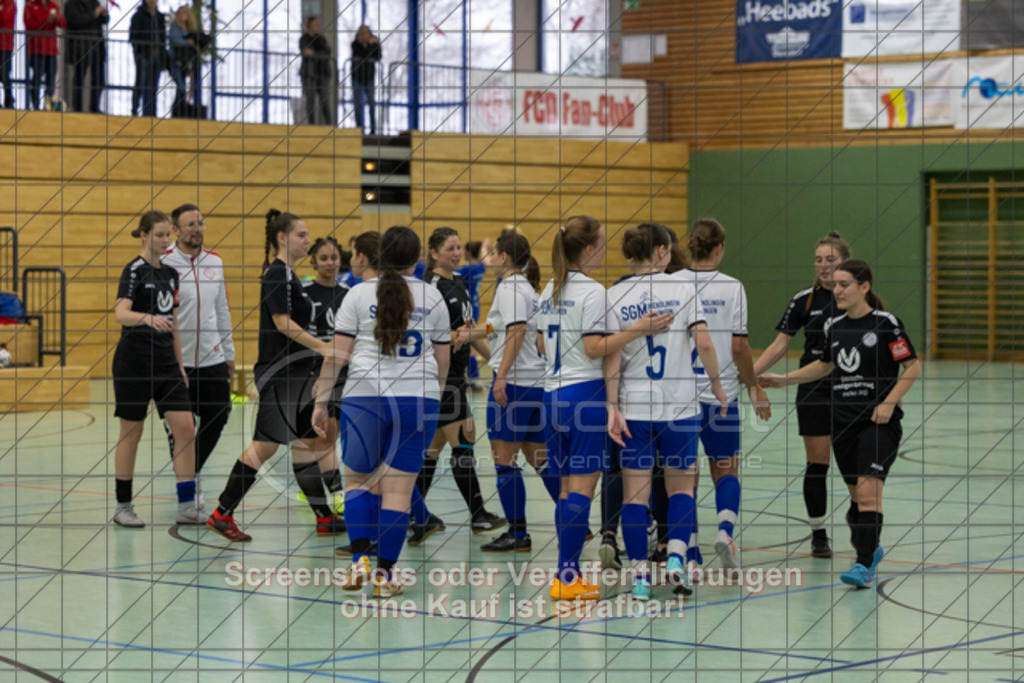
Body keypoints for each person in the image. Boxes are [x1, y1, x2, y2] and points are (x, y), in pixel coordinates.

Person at [759, 259, 920, 588]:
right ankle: (870, 549)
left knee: (868, 492)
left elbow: (913, 367)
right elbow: (825, 365)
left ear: (864, 287)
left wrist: (889, 403)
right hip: (842, 422)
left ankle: (862, 565)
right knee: (858, 497)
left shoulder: (886, 324)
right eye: (836, 285)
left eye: (845, 284)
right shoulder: (835, 327)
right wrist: (784, 380)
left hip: (877, 423)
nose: (838, 290)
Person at [538, 215, 674, 601]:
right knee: (580, 489)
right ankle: (566, 578)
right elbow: (595, 347)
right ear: (588, 248)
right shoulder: (593, 291)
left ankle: (568, 573)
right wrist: (638, 330)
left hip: (553, 396)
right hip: (584, 395)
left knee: (566, 490)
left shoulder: (551, 287)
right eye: (600, 243)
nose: (603, 249)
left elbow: (541, 347)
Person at [313, 226, 450, 598]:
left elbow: (337, 356)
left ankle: (360, 560)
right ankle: (385, 578)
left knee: (357, 482)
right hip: (417, 399)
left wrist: (321, 400)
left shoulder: (357, 295)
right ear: (417, 257)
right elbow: (442, 360)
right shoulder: (433, 296)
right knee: (398, 493)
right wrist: (432, 400)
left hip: (364, 399)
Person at [205, 209, 345, 542]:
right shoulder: (277, 274)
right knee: (265, 446)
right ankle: (221, 513)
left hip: (294, 372)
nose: (307, 241)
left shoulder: (289, 275)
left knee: (306, 443)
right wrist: (323, 347)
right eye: (301, 235)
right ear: (282, 238)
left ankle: (324, 517)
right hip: (279, 374)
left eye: (308, 235)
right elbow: (283, 324)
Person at [607, 222, 727, 599]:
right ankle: (677, 560)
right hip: (680, 406)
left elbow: (611, 355)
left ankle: (641, 577)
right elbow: (704, 342)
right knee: (681, 491)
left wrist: (612, 405)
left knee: (634, 498)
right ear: (661, 251)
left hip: (635, 407)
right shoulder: (684, 288)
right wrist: (718, 385)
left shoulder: (614, 295)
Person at [677, 218, 771, 570]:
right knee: (726, 471)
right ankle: (725, 531)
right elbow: (739, 346)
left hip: (679, 397)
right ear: (719, 248)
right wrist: (753, 385)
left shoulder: (672, 283)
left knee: (683, 478)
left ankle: (689, 553)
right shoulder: (732, 288)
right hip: (721, 395)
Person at [754, 231, 851, 558]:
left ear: (845, 262)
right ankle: (818, 532)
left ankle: (862, 523)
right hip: (814, 389)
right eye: (819, 260)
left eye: (831, 260)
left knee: (852, 462)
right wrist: (750, 375)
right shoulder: (804, 301)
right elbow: (781, 344)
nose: (824, 266)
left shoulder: (856, 298)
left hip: (852, 389)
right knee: (817, 462)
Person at [408, 227, 505, 544]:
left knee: (431, 451)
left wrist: (495, 360)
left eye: (457, 247)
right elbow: (444, 337)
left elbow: (470, 329)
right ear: (433, 254)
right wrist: (483, 332)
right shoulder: (429, 289)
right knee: (464, 441)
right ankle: (478, 515)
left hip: (458, 373)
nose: (455, 253)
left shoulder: (460, 281)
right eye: (448, 248)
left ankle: (415, 515)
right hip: (441, 376)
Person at [111, 211, 199, 528]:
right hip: (133, 361)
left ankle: (187, 505)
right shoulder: (133, 270)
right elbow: (120, 313)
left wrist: (180, 365)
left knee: (186, 428)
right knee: (131, 433)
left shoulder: (171, 275)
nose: (165, 241)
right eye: (159, 235)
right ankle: (123, 506)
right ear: (145, 234)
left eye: (168, 235)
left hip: (166, 364)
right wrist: (146, 318)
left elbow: (173, 324)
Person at [474, 231, 560, 552]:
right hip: (535, 382)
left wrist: (501, 376)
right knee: (540, 457)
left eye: (494, 253)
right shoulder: (525, 288)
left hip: (514, 384)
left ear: (504, 257)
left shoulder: (510, 288)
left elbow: (517, 330)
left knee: (504, 462)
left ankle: (518, 534)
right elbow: (504, 329)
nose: (491, 258)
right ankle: (571, 515)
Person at [161, 204, 235, 509]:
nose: (197, 229)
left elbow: (222, 310)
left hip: (211, 357)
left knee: (219, 415)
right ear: (177, 230)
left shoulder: (214, 262)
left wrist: (229, 353)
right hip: (174, 362)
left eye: (200, 223)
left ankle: (192, 471)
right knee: (183, 427)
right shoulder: (163, 263)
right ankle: (189, 486)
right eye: (190, 224)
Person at [301, 236, 348, 514]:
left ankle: (322, 480)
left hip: (346, 371)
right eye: (324, 258)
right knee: (325, 434)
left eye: (334, 257)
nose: (330, 263)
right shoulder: (305, 293)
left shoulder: (348, 293)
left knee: (334, 433)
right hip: (316, 371)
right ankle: (336, 491)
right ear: (314, 262)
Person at [64, 0, 107, 113]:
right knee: (79, 78)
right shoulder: (71, 4)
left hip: (97, 47)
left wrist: (104, 15)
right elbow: (76, 21)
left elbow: (104, 21)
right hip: (80, 47)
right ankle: (77, 107)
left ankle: (94, 107)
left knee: (99, 79)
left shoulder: (94, 2)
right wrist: (94, 14)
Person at [458, 239, 489, 389]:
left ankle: (475, 378)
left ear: (468, 253)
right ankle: (472, 377)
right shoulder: (480, 268)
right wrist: (484, 247)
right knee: (471, 342)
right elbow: (484, 261)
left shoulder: (467, 270)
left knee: (470, 343)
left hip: (468, 308)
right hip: (476, 306)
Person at [23, 0, 64, 111]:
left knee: (51, 81)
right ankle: (35, 106)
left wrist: (57, 19)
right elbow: (29, 24)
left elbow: (63, 23)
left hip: (52, 51)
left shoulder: (54, 6)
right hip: (37, 49)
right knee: (37, 78)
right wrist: (47, 20)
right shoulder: (30, 6)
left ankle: (48, 105)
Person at [129, 0, 167, 117]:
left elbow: (162, 36)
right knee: (140, 83)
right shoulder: (138, 15)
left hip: (157, 55)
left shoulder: (160, 17)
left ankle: (151, 113)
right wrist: (138, 52)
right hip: (144, 55)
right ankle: (134, 110)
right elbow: (133, 36)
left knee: (153, 86)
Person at [300, 15, 333, 126]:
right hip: (309, 74)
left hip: (323, 74)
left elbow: (327, 53)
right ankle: (311, 125)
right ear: (309, 25)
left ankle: (330, 126)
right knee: (310, 100)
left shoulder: (322, 39)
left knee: (325, 101)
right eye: (315, 24)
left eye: (318, 24)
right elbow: (306, 52)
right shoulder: (304, 39)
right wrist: (318, 54)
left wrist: (314, 53)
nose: (317, 26)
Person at [350, 24, 380, 134]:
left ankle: (373, 129)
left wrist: (372, 45)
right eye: (360, 32)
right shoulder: (355, 44)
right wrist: (372, 45)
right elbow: (364, 55)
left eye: (365, 32)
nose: (362, 34)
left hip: (369, 78)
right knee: (358, 103)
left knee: (371, 103)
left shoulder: (374, 44)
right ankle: (359, 128)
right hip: (357, 78)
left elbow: (377, 56)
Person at [168, 6, 197, 117]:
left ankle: (177, 112)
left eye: (185, 13)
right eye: (180, 13)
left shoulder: (187, 29)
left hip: (184, 61)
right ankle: (175, 112)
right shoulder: (175, 26)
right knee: (181, 87)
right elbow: (175, 40)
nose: (182, 15)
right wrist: (188, 42)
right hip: (175, 60)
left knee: (182, 88)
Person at [0, 0, 13, 109]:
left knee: (4, 75)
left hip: (5, 46)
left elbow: (4, 18)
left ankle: (8, 101)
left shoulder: (9, 2)